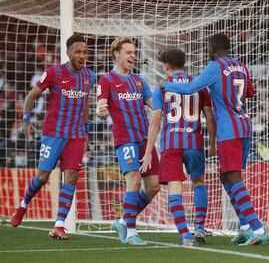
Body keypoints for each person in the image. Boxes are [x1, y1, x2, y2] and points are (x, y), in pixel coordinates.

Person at [164, 33, 269, 245]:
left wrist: (166, 86)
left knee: (232, 177)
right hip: (245, 126)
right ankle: (246, 226)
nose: (205, 51)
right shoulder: (241, 65)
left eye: (207, 47)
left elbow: (188, 88)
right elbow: (250, 92)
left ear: (212, 49)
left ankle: (258, 228)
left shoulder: (214, 67)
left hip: (228, 129)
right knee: (226, 177)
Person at [10, 34, 96, 240]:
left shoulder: (89, 76)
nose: (82, 56)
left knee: (72, 176)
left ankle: (59, 225)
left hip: (75, 135)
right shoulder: (54, 72)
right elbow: (32, 96)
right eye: (78, 52)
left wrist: (85, 131)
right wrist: (26, 119)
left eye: (85, 52)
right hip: (54, 133)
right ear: (68, 53)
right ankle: (23, 205)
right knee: (42, 177)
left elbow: (84, 104)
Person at [140, 49, 216, 246]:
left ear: (166, 67)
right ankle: (199, 227)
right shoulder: (199, 85)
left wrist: (148, 152)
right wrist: (213, 143)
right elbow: (209, 116)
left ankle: (185, 235)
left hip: (171, 144)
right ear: (185, 63)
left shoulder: (162, 87)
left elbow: (155, 121)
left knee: (175, 187)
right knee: (198, 182)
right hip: (194, 143)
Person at [96, 37, 160, 246]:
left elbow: (152, 104)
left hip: (145, 140)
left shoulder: (139, 81)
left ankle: (123, 220)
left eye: (134, 52)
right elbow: (101, 106)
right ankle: (131, 232)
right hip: (126, 140)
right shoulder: (107, 80)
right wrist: (101, 110)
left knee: (153, 186)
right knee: (133, 179)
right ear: (116, 54)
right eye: (128, 52)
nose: (133, 56)